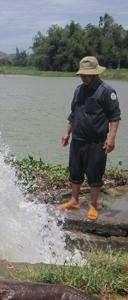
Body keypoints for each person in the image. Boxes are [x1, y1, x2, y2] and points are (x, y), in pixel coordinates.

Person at [59, 56, 121, 220]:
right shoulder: (78, 90)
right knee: (75, 171)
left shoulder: (107, 92)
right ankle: (74, 200)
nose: (83, 77)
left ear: (95, 74)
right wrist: (67, 132)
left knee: (95, 175)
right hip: (78, 139)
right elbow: (73, 114)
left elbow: (115, 117)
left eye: (87, 75)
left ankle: (93, 205)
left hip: (97, 142)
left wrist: (111, 138)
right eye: (82, 75)